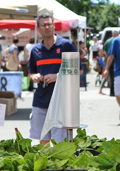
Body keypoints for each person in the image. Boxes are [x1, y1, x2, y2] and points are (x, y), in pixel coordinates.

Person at [29, 13, 82, 145]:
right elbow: (31, 72)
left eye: (49, 24)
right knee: (43, 140)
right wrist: (34, 76)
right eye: (43, 25)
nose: (47, 27)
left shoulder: (66, 45)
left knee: (60, 144)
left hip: (62, 102)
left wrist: (57, 77)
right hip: (40, 100)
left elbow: (78, 71)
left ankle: (59, 166)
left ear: (53, 26)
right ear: (38, 28)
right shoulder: (35, 50)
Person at [101, 30, 119, 96]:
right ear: (117, 34)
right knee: (117, 76)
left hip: (109, 60)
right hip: (116, 60)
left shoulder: (107, 41)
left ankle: (112, 92)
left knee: (111, 76)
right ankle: (117, 91)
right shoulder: (117, 41)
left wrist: (107, 58)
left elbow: (104, 52)